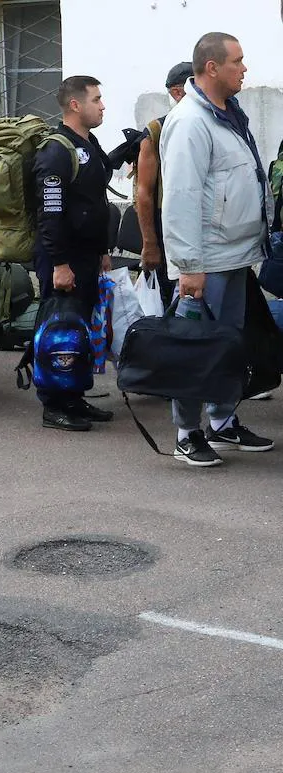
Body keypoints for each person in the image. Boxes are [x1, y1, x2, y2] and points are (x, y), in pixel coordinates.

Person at [161, 32, 275, 465]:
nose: (244, 69)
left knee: (226, 346)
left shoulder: (228, 113)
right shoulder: (191, 120)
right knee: (195, 347)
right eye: (238, 62)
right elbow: (182, 197)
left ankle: (223, 422)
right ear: (212, 67)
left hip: (234, 254)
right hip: (205, 260)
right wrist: (189, 265)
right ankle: (187, 434)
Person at [31, 76, 116, 432]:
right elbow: (50, 212)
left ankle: (74, 396)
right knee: (58, 330)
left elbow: (91, 200)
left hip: (84, 255)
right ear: (75, 105)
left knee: (78, 329)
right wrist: (60, 264)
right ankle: (54, 403)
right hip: (62, 259)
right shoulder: (55, 150)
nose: (103, 105)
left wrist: (100, 252)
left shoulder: (88, 143)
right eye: (96, 99)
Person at [134, 61, 193, 315]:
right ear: (177, 92)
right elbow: (144, 192)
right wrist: (150, 244)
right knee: (171, 305)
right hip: (165, 226)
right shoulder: (157, 130)